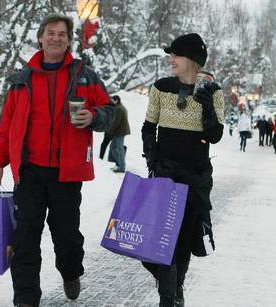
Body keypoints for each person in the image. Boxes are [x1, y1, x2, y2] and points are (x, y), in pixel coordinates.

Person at [0, 13, 113, 307]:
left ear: (69, 40)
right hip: (29, 171)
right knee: (25, 239)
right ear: (40, 38)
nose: (56, 37)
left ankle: (71, 272)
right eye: (50, 33)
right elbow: (6, 122)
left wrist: (93, 116)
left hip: (66, 173)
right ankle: (26, 298)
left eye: (62, 33)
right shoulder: (22, 79)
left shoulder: (84, 74)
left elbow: (110, 111)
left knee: (67, 236)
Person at [141, 33, 223, 307]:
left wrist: (208, 106)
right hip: (165, 173)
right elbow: (149, 126)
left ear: (192, 61)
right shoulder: (161, 87)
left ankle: (174, 292)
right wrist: (152, 158)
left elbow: (215, 135)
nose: (171, 60)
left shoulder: (213, 91)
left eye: (176, 55)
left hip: (196, 176)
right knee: (160, 239)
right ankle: (168, 291)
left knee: (185, 238)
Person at [107, 95, 131, 172]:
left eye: (112, 100)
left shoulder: (119, 109)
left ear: (116, 100)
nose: (111, 101)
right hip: (119, 131)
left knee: (119, 148)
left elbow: (116, 122)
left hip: (120, 131)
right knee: (113, 147)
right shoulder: (120, 107)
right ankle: (119, 164)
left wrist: (110, 131)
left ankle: (122, 167)